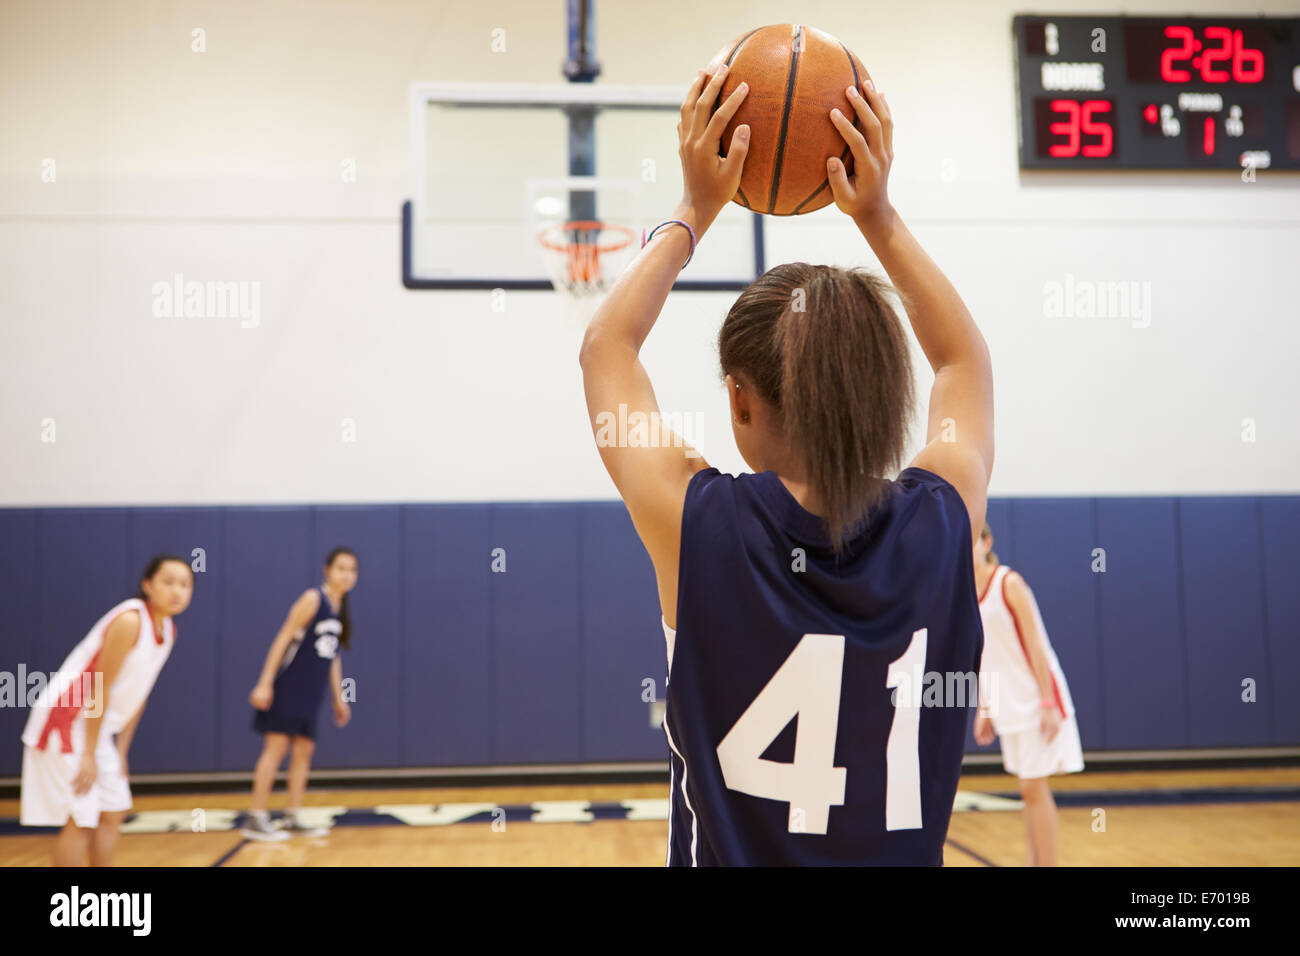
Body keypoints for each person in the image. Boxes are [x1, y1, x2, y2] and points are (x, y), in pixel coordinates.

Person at [578, 64, 993, 864]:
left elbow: (607, 349)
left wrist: (696, 209)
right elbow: (963, 363)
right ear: (883, 390)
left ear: (740, 401)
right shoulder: (943, 523)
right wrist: (876, 214)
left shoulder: (697, 526)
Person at [20, 554, 194, 865]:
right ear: (147, 585)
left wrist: (121, 751)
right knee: (82, 817)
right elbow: (98, 686)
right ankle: (71, 908)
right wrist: (88, 752)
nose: (177, 591)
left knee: (113, 810)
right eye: (168, 582)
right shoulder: (130, 621)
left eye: (185, 584)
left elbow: (138, 695)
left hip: (96, 729)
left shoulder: (168, 631)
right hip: (67, 718)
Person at [972, 523, 1083, 866]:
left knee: (1034, 789)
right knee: (1027, 791)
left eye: (972, 539)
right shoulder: (964, 592)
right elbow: (982, 656)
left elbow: (1036, 647)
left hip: (1037, 701)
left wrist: (1048, 704)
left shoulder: (1009, 583)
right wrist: (984, 707)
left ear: (987, 542)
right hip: (1008, 704)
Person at [242, 547, 356, 842]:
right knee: (276, 748)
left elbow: (333, 655)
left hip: (312, 691)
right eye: (341, 568)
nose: (347, 575)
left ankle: (292, 815)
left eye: (352, 570)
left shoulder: (338, 606)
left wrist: (338, 696)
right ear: (327, 570)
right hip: (289, 685)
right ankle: (256, 816)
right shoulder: (312, 599)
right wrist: (265, 683)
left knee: (304, 751)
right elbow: (282, 637)